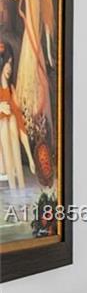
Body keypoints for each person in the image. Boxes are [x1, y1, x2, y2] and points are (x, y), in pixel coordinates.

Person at [0, 0, 56, 156]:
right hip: (33, 45)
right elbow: (45, 20)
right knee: (32, 93)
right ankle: (34, 146)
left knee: (30, 94)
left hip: (31, 47)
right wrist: (49, 53)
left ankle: (33, 146)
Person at [0, 45, 28, 190]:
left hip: (11, 139)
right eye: (6, 63)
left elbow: (20, 124)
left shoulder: (11, 91)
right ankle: (13, 186)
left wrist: (30, 158)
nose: (9, 68)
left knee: (11, 121)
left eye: (11, 63)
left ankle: (20, 188)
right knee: (5, 123)